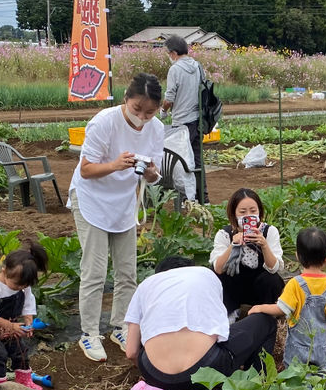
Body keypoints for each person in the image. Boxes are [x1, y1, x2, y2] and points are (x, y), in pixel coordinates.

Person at [68, 73, 164, 362]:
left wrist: (151, 174)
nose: (142, 118)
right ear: (126, 98)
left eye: (149, 112)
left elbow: (155, 173)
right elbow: (86, 169)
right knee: (95, 271)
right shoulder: (104, 122)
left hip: (123, 204)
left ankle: (120, 326)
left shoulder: (156, 128)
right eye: (137, 110)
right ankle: (89, 334)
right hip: (91, 200)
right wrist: (114, 165)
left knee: (127, 271)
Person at [124, 256, 278, 390]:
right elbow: (220, 328)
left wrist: (159, 374)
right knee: (266, 321)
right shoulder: (205, 274)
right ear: (190, 267)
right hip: (207, 370)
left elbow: (131, 352)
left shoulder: (145, 285)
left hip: (156, 376)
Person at [249, 228, 326, 369]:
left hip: (298, 345)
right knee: (319, 376)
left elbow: (281, 309)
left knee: (295, 375)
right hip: (321, 345)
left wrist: (260, 307)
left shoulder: (295, 284)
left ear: (297, 256)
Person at [0, 241, 49, 383]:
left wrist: (28, 319)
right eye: (17, 285)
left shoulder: (23, 286)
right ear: (4, 270)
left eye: (25, 285)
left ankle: (24, 382)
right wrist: (11, 326)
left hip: (7, 324)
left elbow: (28, 301)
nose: (20, 288)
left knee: (21, 352)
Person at [210, 188, 285, 319]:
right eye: (243, 212)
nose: (248, 215)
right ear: (234, 214)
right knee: (218, 275)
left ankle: (264, 316)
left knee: (271, 279)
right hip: (235, 288)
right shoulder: (224, 234)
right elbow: (217, 268)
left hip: (259, 287)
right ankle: (229, 315)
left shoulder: (269, 231)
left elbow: (274, 268)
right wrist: (233, 245)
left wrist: (264, 245)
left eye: (253, 211)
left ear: (259, 212)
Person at [161, 35, 206, 203]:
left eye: (168, 53)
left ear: (173, 53)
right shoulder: (198, 66)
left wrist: (163, 110)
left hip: (181, 122)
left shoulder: (175, 69)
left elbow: (169, 97)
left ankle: (186, 197)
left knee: (182, 162)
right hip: (197, 120)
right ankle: (203, 197)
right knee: (197, 159)